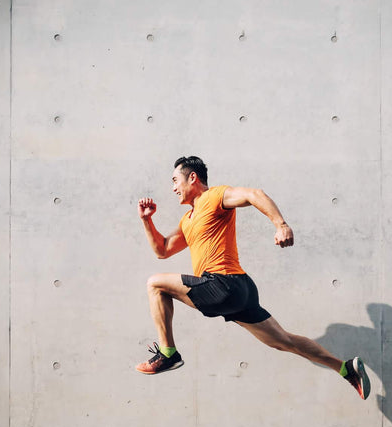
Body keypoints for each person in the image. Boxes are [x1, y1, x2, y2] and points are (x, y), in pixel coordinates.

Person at [135, 156, 370, 400]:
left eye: (175, 180)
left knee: (155, 284)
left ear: (192, 177)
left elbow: (253, 194)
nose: (173, 188)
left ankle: (168, 353)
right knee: (283, 341)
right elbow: (162, 250)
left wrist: (281, 224)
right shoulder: (188, 220)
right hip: (241, 290)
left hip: (222, 284)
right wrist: (147, 220)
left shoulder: (214, 197)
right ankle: (346, 368)